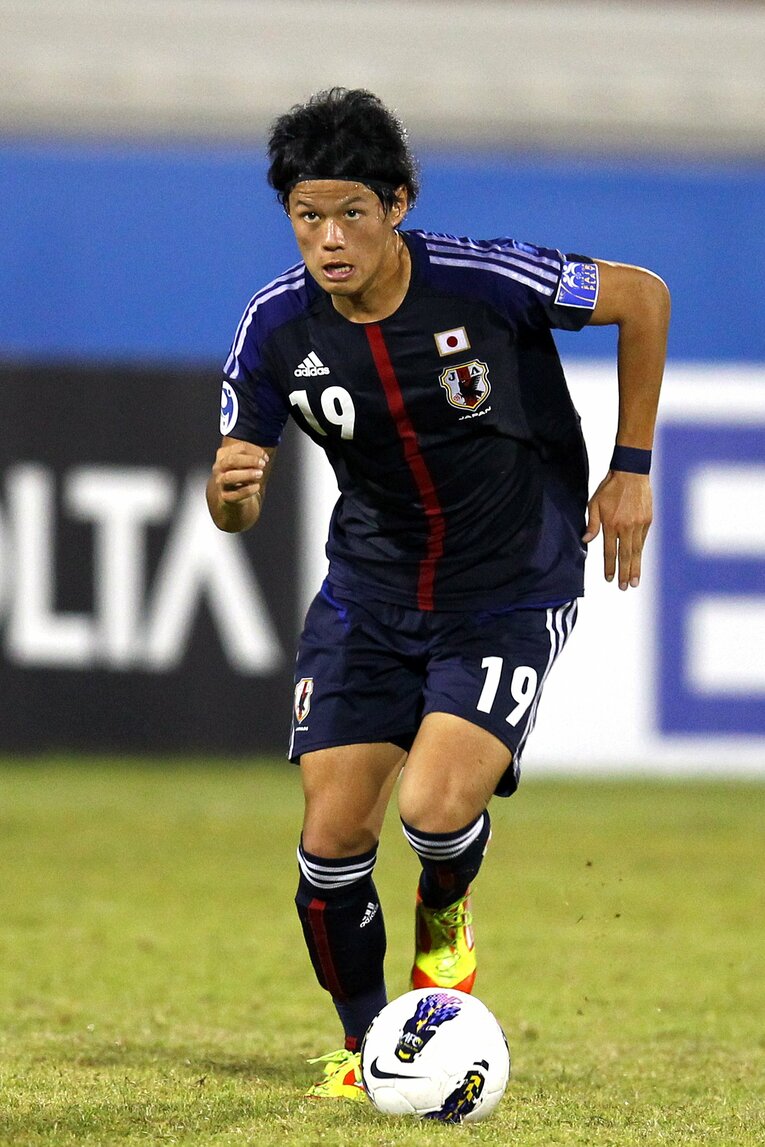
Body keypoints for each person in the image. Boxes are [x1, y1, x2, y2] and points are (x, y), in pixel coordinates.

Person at [206, 88, 670, 1101]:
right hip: (369, 590)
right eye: (308, 217)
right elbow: (231, 508)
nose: (329, 240)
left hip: (507, 581)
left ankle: (444, 924)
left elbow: (643, 295)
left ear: (399, 205)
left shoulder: (486, 280)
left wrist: (632, 464)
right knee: (330, 844)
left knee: (432, 805)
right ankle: (369, 1043)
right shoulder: (277, 328)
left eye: (352, 215)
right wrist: (228, 498)